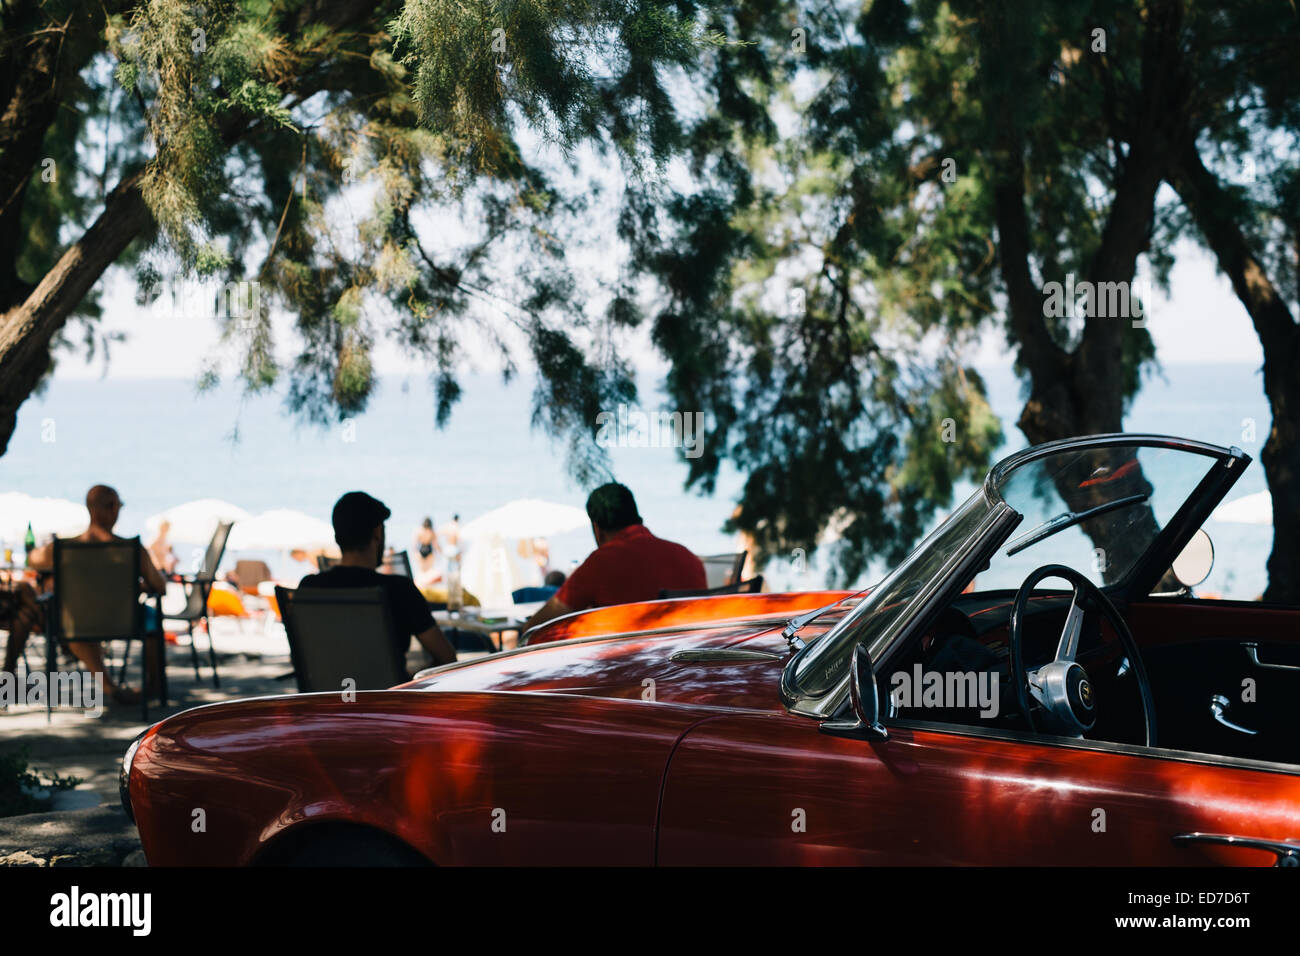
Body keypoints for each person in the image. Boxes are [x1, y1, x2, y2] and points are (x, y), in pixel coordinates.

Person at [13, 485, 167, 704]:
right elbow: (160, 587)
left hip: (77, 622)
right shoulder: (132, 549)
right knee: (152, 616)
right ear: (113, 508)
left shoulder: (64, 549)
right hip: (124, 620)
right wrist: (140, 586)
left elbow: (32, 559)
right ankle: (154, 687)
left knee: (71, 616)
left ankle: (110, 688)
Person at [297, 492, 456, 671]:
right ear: (378, 532)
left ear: (337, 537)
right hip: (385, 697)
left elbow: (302, 657)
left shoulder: (310, 588)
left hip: (329, 697)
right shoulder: (400, 590)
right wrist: (410, 682)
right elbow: (447, 658)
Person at [519, 483, 705, 635]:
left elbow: (536, 628)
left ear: (597, 529)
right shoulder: (689, 558)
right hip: (689, 670)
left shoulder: (601, 563)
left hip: (629, 672)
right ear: (637, 518)